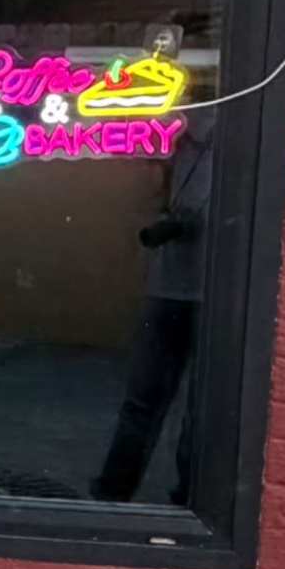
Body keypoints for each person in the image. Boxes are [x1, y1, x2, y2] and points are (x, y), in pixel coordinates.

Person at [91, 123, 207, 504]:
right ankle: (127, 490)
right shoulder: (176, 137)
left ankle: (121, 491)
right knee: (170, 403)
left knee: (179, 404)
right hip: (176, 284)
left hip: (205, 288)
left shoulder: (205, 131)